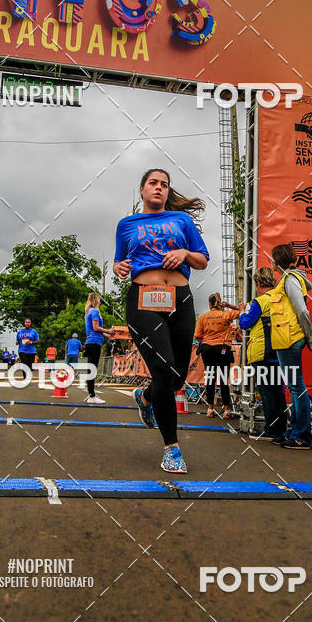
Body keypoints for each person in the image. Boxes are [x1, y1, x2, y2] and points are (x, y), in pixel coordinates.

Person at [113, 168, 209, 473]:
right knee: (165, 371)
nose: (159, 188)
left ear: (168, 192)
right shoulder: (127, 225)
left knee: (177, 378)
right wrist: (118, 267)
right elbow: (118, 261)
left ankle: (145, 396)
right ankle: (172, 448)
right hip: (144, 299)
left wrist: (183, 253)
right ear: (142, 189)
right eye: (153, 183)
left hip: (180, 299)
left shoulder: (181, 221)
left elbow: (202, 260)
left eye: (164, 184)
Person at [269, 243, 312, 449]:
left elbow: (302, 310)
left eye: (272, 259)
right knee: (295, 386)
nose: (271, 262)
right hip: (286, 339)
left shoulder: (289, 279)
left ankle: (301, 436)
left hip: (290, 339)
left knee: (297, 387)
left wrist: (310, 336)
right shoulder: (288, 279)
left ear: (276, 261)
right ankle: (295, 431)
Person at [238, 267, 285, 442]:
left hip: (261, 353)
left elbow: (245, 323)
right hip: (280, 352)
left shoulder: (260, 301)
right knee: (278, 392)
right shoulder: (281, 299)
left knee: (267, 393)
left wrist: (242, 311)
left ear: (258, 282)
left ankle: (271, 430)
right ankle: (281, 429)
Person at [194, 293, 240, 419]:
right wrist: (229, 305)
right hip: (223, 349)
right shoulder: (226, 315)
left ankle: (210, 409)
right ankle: (226, 411)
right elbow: (242, 311)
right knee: (223, 379)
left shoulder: (203, 317)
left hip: (208, 349)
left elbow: (197, 336)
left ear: (209, 304)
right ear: (220, 303)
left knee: (210, 379)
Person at [84, 293, 112, 403]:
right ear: (95, 300)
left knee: (91, 368)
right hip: (94, 342)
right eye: (99, 299)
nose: (100, 301)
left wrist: (107, 335)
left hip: (91, 341)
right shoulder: (95, 311)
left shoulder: (89, 312)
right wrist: (108, 330)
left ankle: (91, 393)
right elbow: (96, 328)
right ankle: (91, 395)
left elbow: (93, 329)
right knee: (92, 369)